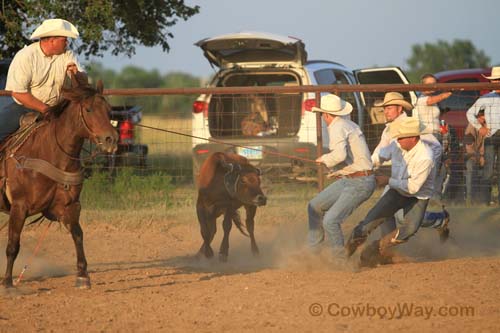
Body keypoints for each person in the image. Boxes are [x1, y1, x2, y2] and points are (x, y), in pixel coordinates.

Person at [345, 118, 436, 265]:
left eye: (401, 137)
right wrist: (362, 166)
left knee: (410, 229)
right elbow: (378, 157)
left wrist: (387, 180)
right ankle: (345, 253)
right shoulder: (396, 145)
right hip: (396, 191)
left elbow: (413, 188)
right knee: (369, 222)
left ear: (413, 138)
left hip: (417, 196)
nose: (398, 140)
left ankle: (377, 248)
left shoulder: (425, 157)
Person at [371, 92, 450, 241]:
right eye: (384, 108)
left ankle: (439, 220)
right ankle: (387, 245)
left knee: (404, 217)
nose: (385, 111)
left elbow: (436, 147)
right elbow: (379, 152)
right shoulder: (388, 129)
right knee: (385, 211)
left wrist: (422, 169)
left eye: (389, 107)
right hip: (398, 178)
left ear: (400, 109)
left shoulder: (411, 125)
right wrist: (366, 167)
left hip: (414, 181)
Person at [307, 94, 376, 259]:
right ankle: (313, 252)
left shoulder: (337, 127)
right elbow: (354, 158)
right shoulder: (347, 124)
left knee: (330, 220)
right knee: (315, 206)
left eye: (322, 115)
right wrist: (338, 172)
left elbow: (338, 155)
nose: (323, 118)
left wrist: (324, 159)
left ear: (326, 115)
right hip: (354, 179)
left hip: (359, 182)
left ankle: (339, 260)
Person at [1, 18, 84, 142]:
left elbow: (84, 81)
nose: (67, 42)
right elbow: (18, 93)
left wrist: (77, 74)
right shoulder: (26, 56)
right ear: (52, 40)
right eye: (64, 39)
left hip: (57, 108)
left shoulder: (67, 55)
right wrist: (46, 110)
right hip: (24, 108)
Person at [466, 66, 500, 206]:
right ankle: (485, 201)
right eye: (495, 80)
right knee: (488, 168)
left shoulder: (486, 98)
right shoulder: (486, 98)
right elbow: (469, 113)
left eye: (498, 80)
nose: (496, 82)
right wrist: (481, 128)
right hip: (492, 135)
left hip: (492, 134)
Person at [413, 73, 452, 138]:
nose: (433, 85)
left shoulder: (432, 99)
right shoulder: (421, 98)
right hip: (425, 134)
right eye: (429, 84)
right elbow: (433, 99)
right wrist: (449, 92)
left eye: (434, 83)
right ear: (423, 85)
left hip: (435, 134)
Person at [464, 109, 487, 204]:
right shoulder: (471, 128)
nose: (484, 121)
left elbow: (483, 143)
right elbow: (468, 147)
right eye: (482, 119)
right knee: (470, 173)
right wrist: (478, 157)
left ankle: (478, 198)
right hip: (470, 156)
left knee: (479, 176)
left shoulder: (484, 127)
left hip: (478, 155)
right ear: (478, 118)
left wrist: (482, 156)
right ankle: (469, 199)